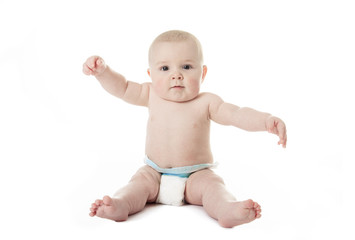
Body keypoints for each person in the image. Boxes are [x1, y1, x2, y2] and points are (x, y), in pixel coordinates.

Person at [82, 30, 287, 228]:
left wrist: (265, 120)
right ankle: (119, 205)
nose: (176, 75)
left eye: (187, 67)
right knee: (136, 186)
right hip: (154, 172)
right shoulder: (149, 93)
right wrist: (103, 72)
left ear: (203, 72)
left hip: (196, 175)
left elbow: (236, 114)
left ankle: (226, 210)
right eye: (165, 69)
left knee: (214, 188)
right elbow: (123, 87)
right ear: (150, 74)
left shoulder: (207, 102)